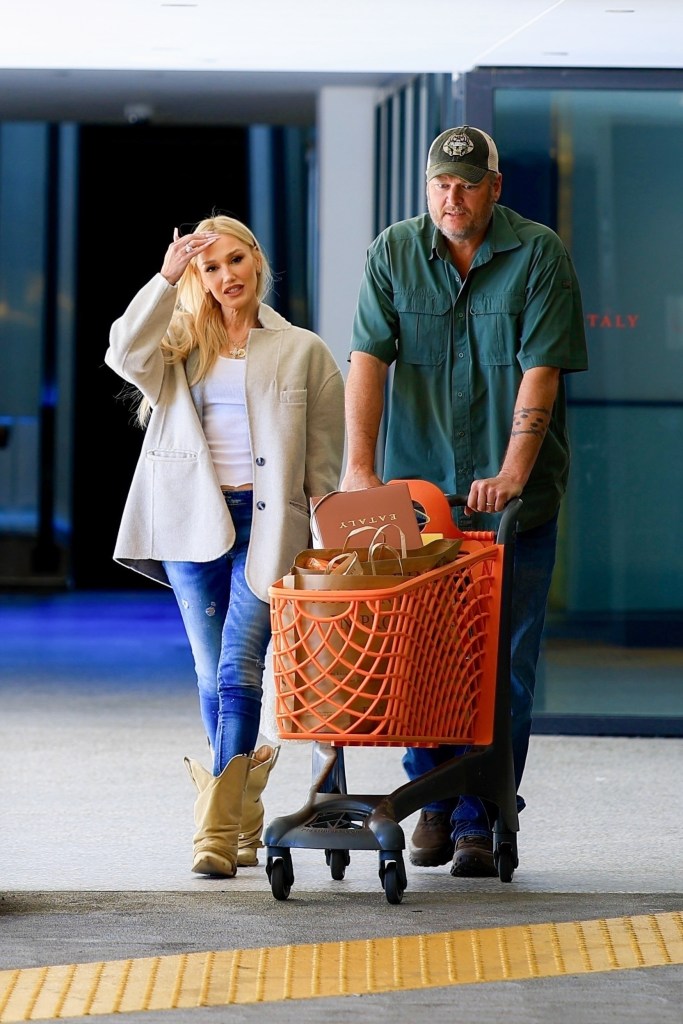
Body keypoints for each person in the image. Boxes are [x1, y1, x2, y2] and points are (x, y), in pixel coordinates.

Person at [341, 125, 588, 877]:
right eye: (441, 184)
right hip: (422, 505)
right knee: (422, 656)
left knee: (503, 667)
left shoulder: (537, 254)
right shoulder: (393, 252)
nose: (453, 198)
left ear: (493, 187)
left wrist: (512, 472)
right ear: (428, 187)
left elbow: (541, 371)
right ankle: (433, 802)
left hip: (514, 508)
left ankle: (482, 816)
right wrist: (359, 469)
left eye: (468, 184)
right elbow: (367, 360)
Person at [106, 214, 345, 877]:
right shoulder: (179, 342)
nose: (226, 275)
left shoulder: (302, 350)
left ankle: (212, 835)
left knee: (240, 666)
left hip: (270, 525)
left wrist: (322, 539)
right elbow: (123, 352)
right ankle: (243, 809)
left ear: (256, 261)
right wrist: (165, 279)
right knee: (210, 673)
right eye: (210, 267)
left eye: (235, 260)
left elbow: (323, 464)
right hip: (192, 521)